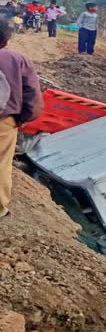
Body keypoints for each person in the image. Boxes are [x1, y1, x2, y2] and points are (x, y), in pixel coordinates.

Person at [0, 21, 43, 217]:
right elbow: (31, 93)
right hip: (4, 121)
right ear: (6, 38)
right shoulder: (17, 59)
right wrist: (23, 118)